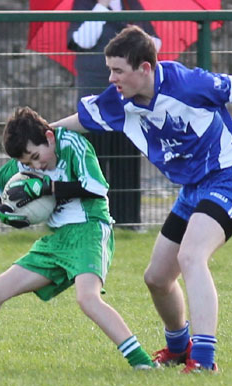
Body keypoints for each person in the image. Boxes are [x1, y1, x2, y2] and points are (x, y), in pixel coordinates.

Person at [47, 26, 232, 373]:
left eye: (118, 70)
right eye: (109, 69)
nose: (111, 78)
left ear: (145, 69)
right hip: (192, 190)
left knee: (191, 256)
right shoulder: (118, 100)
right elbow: (80, 120)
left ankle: (204, 360)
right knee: (156, 277)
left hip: (229, 176)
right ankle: (178, 348)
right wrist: (42, 133)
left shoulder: (188, 84)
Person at [0, 106, 157, 373]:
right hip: (57, 241)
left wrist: (48, 187)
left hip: (89, 230)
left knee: (87, 299)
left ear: (49, 137)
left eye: (35, 157)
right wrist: (0, 212)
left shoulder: (73, 144)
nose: (35, 166)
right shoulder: (25, 159)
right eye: (28, 164)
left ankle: (143, 364)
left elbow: (97, 188)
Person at [67, 0, 162, 226]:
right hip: (95, 95)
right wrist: (101, 7)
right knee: (93, 160)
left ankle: (128, 221)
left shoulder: (130, 6)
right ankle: (92, 219)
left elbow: (154, 43)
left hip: (128, 99)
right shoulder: (83, 5)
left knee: (126, 160)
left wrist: (135, 38)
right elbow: (82, 40)